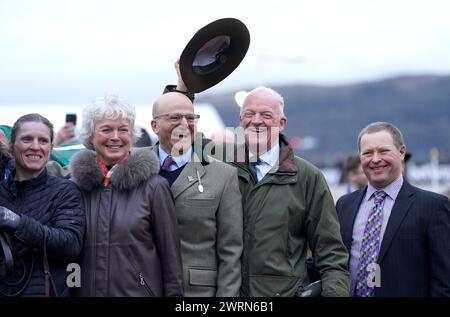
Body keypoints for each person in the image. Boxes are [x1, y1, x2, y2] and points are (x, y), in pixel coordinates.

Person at [220, 86, 350, 297]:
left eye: (266, 115)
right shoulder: (221, 169)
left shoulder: (308, 177)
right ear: (241, 121)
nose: (256, 121)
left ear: (282, 123)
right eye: (249, 114)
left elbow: (331, 253)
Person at [69, 94, 183, 297]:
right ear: (90, 137)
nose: (115, 137)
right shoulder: (74, 188)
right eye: (106, 129)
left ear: (132, 135)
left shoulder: (154, 187)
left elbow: (171, 262)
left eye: (123, 129)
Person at [336, 122, 450, 297]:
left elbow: (443, 281)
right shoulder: (344, 205)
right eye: (367, 153)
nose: (375, 159)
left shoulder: (433, 207)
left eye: (383, 151)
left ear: (402, 152)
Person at [150, 90, 243, 297]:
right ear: (154, 126)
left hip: (196, 293)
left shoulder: (223, 175)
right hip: (143, 287)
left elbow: (230, 252)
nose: (184, 123)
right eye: (174, 117)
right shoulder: (135, 166)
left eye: (190, 117)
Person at [0, 113, 85, 297]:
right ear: (12, 147)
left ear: (51, 147)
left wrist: (16, 222)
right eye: (27, 139)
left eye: (43, 141)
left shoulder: (65, 191)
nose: (36, 146)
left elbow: (70, 245)